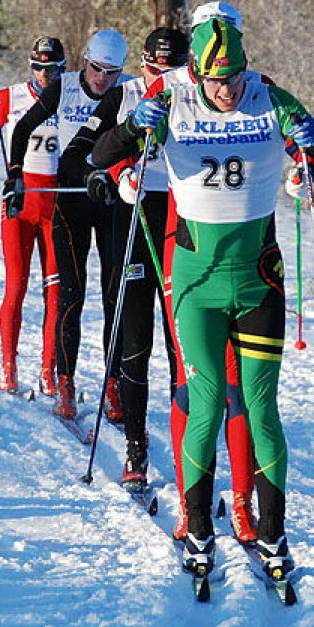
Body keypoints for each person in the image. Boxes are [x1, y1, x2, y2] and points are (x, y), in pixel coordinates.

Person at [93, 17, 314, 581]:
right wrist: (136, 126)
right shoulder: (172, 93)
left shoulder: (269, 95)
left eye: (233, 76)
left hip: (259, 277)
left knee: (260, 404)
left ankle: (275, 535)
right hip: (196, 282)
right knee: (206, 400)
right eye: (216, 80)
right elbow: (100, 154)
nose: (227, 90)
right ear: (197, 73)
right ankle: (199, 531)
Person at [59, 27, 189, 485]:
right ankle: (135, 446)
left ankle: (186, 447)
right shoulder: (126, 93)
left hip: (183, 220)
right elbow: (85, 153)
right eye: (153, 66)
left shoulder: (198, 98)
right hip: (134, 218)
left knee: (183, 347)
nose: (160, 76)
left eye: (170, 69)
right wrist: (112, 174)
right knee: (134, 339)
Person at [9, 29, 130, 420]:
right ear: (84, 60)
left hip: (111, 202)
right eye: (96, 69)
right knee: (71, 297)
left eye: (111, 72)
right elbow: (23, 128)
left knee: (116, 299)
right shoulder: (63, 88)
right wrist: (14, 175)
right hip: (70, 204)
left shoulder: (129, 91)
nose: (101, 79)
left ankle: (114, 386)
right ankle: (66, 383)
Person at [0, 37, 65, 396]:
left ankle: (49, 370)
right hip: (20, 202)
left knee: (56, 293)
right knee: (16, 286)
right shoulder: (9, 98)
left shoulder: (68, 98)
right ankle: (8, 367)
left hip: (57, 204)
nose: (45, 75)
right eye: (38, 68)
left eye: (52, 69)